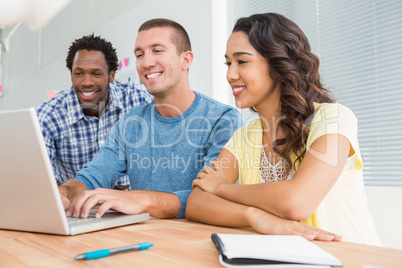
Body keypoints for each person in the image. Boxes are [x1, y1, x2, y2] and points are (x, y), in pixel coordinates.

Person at [187, 13, 381, 246]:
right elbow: (196, 203)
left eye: (242, 61)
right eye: (228, 63)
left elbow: (296, 201)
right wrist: (255, 216)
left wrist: (220, 187)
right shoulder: (244, 137)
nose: (230, 74)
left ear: (278, 63)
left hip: (349, 258)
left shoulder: (333, 119)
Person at [57, 18, 242, 220]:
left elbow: (212, 196)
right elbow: (94, 175)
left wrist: (140, 200)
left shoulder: (223, 120)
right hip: (145, 241)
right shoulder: (130, 124)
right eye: (139, 54)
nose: (146, 63)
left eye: (157, 50)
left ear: (186, 60)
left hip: (197, 241)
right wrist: (64, 194)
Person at [37, 34, 152, 189]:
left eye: (96, 73)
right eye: (78, 73)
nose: (86, 82)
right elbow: (38, 179)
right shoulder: (49, 115)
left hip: (131, 205)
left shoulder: (139, 102)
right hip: (73, 206)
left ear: (111, 75)